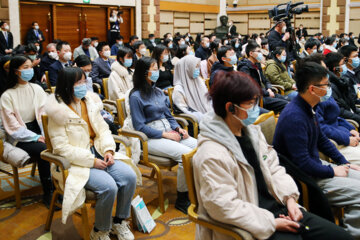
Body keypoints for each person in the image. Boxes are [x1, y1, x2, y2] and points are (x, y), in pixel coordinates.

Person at [193, 70, 352, 240]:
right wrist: (271, 222)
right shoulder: (211, 154)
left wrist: (290, 199)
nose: (256, 109)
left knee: (341, 237)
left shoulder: (251, 133)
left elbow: (274, 168)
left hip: (279, 207)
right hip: (252, 223)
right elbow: (222, 205)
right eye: (251, 104)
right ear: (230, 107)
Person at [45, 67, 137, 240]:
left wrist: (109, 149)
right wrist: (92, 161)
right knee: (109, 187)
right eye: (78, 83)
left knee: (129, 176)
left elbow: (103, 129)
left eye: (83, 81)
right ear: (66, 86)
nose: (83, 86)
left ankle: (119, 221)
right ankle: (100, 230)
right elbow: (61, 148)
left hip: (100, 151)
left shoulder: (89, 102)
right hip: (77, 162)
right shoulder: (57, 111)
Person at [273, 61, 360, 239]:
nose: (329, 88)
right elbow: (302, 164)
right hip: (306, 178)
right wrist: (332, 170)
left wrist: (344, 163)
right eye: (326, 85)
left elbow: (321, 139)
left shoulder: (308, 107)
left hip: (316, 167)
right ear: (312, 89)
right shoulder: (295, 116)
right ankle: (350, 235)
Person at [129, 57, 197, 213]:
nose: (156, 71)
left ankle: (195, 187)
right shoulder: (136, 96)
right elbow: (139, 126)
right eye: (153, 68)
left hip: (169, 130)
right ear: (144, 73)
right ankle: (182, 197)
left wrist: (178, 129)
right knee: (186, 155)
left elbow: (169, 115)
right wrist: (165, 134)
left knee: (199, 146)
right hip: (150, 138)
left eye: (156, 68)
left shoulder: (158, 91)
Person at [0, 55, 52, 207]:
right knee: (44, 150)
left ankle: (61, 184)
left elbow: (44, 115)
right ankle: (49, 190)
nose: (30, 70)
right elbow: (13, 127)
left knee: (59, 142)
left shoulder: (37, 89)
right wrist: (36, 137)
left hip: (40, 128)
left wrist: (45, 134)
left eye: (31, 66)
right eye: (25, 68)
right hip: (20, 136)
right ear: (16, 71)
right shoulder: (7, 95)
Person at [238, 41, 289, 113]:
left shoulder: (257, 64)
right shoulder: (244, 68)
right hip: (259, 97)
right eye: (258, 51)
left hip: (266, 93)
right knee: (287, 105)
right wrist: (267, 93)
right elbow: (250, 87)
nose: (261, 54)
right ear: (251, 53)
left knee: (289, 100)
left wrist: (269, 88)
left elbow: (265, 80)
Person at [172, 55, 212, 122]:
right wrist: (202, 117)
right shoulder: (178, 89)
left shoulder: (199, 81)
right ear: (187, 69)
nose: (197, 69)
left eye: (198, 66)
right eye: (195, 67)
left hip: (207, 113)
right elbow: (183, 110)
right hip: (194, 119)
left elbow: (207, 99)